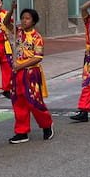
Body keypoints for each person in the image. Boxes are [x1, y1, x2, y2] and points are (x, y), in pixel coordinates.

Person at [7, 8, 53, 143]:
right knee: (18, 101)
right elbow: (5, 22)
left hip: (31, 73)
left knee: (34, 102)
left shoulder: (37, 37)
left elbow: (38, 57)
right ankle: (22, 132)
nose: (24, 20)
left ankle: (46, 124)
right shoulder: (17, 32)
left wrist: (20, 65)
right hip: (17, 73)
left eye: (27, 18)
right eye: (22, 18)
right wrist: (11, 9)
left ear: (34, 21)